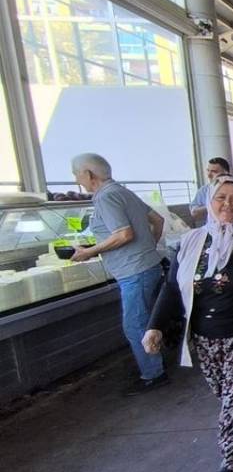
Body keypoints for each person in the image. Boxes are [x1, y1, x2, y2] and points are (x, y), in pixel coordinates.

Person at [142, 177, 233, 472]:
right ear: (209, 203)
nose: (228, 205)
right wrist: (154, 326)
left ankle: (231, 463)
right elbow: (172, 288)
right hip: (205, 339)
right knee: (227, 395)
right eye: (221, 198)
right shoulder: (192, 241)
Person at [70, 154, 167, 395]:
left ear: (89, 175)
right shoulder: (122, 191)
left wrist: (89, 252)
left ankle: (154, 374)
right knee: (145, 322)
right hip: (146, 266)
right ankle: (155, 367)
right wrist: (149, 247)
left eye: (77, 175)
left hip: (134, 271)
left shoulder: (106, 197)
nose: (77, 180)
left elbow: (124, 234)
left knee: (135, 326)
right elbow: (158, 219)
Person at [190, 157, 231, 225]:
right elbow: (194, 213)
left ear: (226, 173)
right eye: (208, 171)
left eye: (214, 172)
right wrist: (213, 206)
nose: (209, 175)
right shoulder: (204, 190)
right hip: (212, 229)